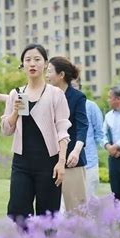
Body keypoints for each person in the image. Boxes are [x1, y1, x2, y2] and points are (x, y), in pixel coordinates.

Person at [1, 44, 71, 229]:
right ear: (22, 65)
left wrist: (61, 162)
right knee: (18, 212)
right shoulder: (15, 94)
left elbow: (63, 130)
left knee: (48, 217)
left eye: (37, 59)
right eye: (28, 60)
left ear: (45, 64)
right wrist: (15, 112)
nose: (32, 63)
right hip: (22, 163)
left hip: (49, 163)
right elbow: (7, 131)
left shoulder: (55, 94)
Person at [46, 57, 89, 212]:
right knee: (50, 210)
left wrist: (76, 152)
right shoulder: (46, 95)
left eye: (49, 71)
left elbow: (82, 127)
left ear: (61, 74)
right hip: (50, 159)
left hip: (72, 160)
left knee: (77, 210)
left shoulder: (77, 97)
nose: (46, 75)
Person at [72, 78, 104, 198]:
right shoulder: (59, 105)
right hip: (66, 162)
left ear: (79, 87)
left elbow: (99, 133)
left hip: (89, 161)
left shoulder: (90, 106)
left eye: (74, 86)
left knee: (89, 199)